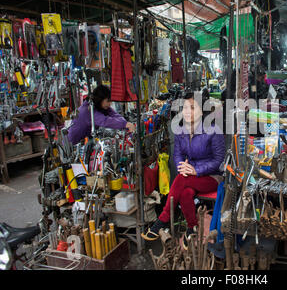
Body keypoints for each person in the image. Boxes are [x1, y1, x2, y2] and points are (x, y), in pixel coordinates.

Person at [142, 90, 225, 249]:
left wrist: (195, 170)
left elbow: (218, 160)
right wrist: (183, 167)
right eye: (185, 108)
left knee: (182, 180)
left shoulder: (214, 130)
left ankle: (164, 218)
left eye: (192, 108)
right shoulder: (181, 131)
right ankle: (191, 227)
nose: (187, 112)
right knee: (185, 192)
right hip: (189, 175)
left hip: (212, 176)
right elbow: (177, 156)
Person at [68, 85, 136, 145]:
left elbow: (114, 114)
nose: (110, 104)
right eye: (108, 101)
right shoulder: (89, 109)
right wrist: (124, 124)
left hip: (82, 141)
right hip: (72, 144)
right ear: (100, 99)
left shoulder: (100, 106)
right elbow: (105, 121)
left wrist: (126, 124)